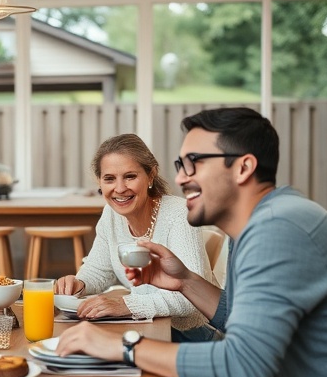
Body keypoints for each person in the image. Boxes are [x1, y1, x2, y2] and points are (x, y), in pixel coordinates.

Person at [57, 107, 327, 377]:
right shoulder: (267, 222)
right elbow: (240, 321)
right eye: (181, 164)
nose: (182, 178)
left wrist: (124, 345)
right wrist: (185, 281)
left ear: (243, 167)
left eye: (195, 162)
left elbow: (241, 369)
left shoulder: (280, 231)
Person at [55, 134, 218, 341]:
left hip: (192, 336)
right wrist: (79, 284)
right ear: (100, 182)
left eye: (130, 176)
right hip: (146, 329)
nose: (120, 188)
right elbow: (98, 270)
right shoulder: (111, 215)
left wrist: (125, 305)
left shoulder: (179, 214)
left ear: (151, 175)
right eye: (109, 179)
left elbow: (190, 298)